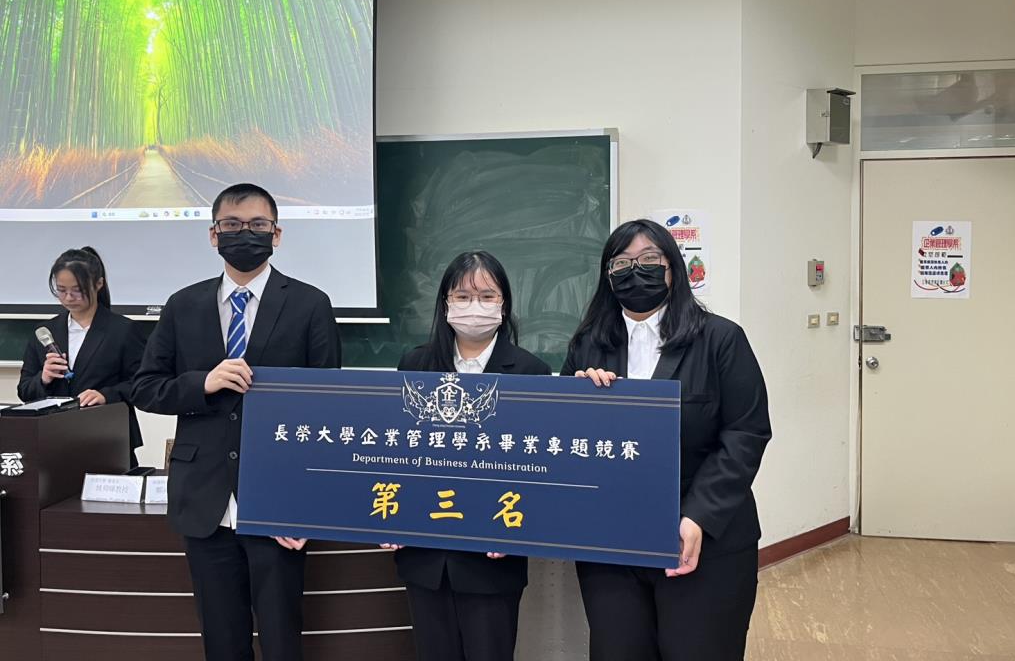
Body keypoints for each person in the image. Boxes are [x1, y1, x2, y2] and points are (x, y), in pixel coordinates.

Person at [131, 183, 341, 661]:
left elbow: (326, 409)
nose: (245, 233)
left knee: (282, 639)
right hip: (205, 500)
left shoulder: (310, 304)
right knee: (222, 642)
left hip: (277, 503)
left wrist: (306, 505)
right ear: (214, 235)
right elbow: (145, 387)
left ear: (276, 234)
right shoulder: (182, 305)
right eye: (232, 225)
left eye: (257, 225)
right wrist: (202, 384)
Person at [562, 219, 771, 661]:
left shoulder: (720, 339)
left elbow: (745, 433)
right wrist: (578, 399)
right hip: (612, 544)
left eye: (649, 260)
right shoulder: (588, 344)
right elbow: (561, 438)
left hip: (702, 540)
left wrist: (697, 516)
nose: (635, 271)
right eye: (621, 263)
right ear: (607, 277)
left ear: (673, 269)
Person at [382, 251, 551, 661]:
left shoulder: (531, 372)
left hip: (492, 562)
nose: (474, 306)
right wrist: (391, 516)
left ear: (504, 304)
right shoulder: (415, 365)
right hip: (425, 561)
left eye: (487, 296)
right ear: (445, 303)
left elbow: (540, 468)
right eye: (462, 296)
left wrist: (518, 528)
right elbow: (397, 453)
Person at [18, 246, 146, 466]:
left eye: (77, 290)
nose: (68, 297)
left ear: (98, 284)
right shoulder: (45, 332)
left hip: (108, 438)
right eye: (61, 290)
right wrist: (43, 378)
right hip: (54, 441)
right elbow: (24, 391)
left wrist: (106, 395)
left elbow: (143, 384)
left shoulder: (123, 330)